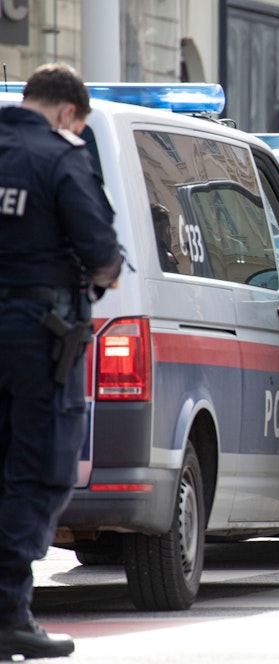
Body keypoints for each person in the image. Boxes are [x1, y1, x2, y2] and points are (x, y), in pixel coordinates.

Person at [0, 63, 122, 659]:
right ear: (68, 113)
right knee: (38, 467)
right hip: (36, 334)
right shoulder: (60, 156)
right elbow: (102, 254)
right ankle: (8, 614)